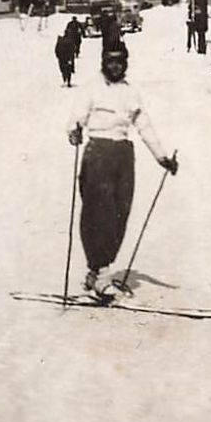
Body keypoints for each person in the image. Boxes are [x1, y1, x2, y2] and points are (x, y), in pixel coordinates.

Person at [66, 42, 178, 300]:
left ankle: (97, 272)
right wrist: (74, 131)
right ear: (102, 62)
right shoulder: (90, 89)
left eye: (119, 61)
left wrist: (162, 157)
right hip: (98, 153)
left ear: (125, 63)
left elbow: (145, 126)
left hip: (123, 154)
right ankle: (101, 273)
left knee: (119, 214)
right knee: (98, 214)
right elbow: (75, 118)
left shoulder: (131, 93)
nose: (114, 65)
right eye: (109, 60)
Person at [54, 17, 83, 87]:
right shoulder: (70, 40)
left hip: (62, 57)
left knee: (63, 68)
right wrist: (72, 55)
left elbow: (56, 49)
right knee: (69, 68)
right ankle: (68, 80)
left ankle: (65, 78)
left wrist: (58, 56)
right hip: (69, 56)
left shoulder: (60, 40)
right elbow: (73, 48)